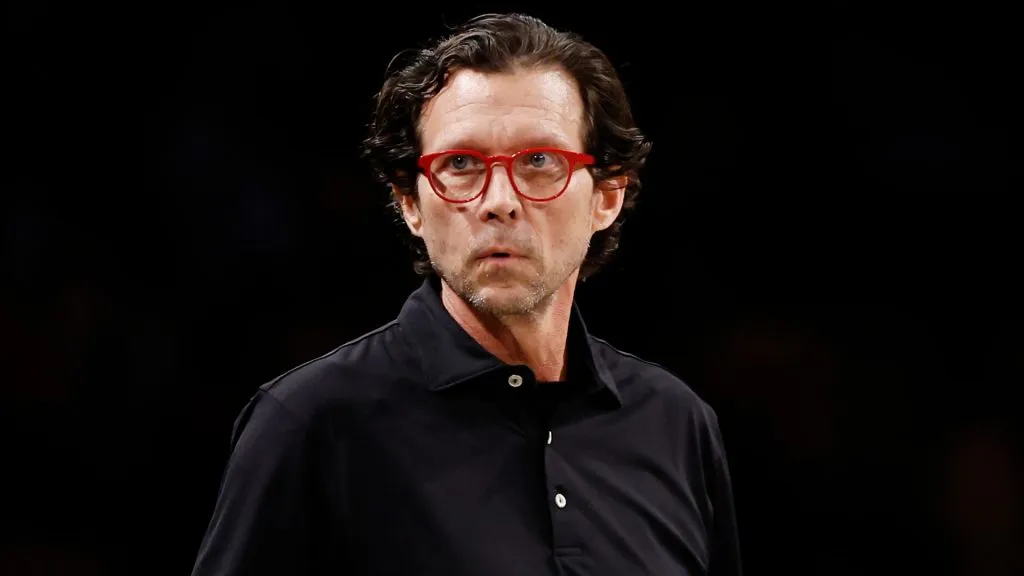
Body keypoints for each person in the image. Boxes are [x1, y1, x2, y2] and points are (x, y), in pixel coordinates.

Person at [191, 12, 742, 576]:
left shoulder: (676, 424)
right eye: (460, 164)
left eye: (539, 161)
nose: (498, 200)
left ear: (607, 195)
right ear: (410, 203)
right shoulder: (311, 422)